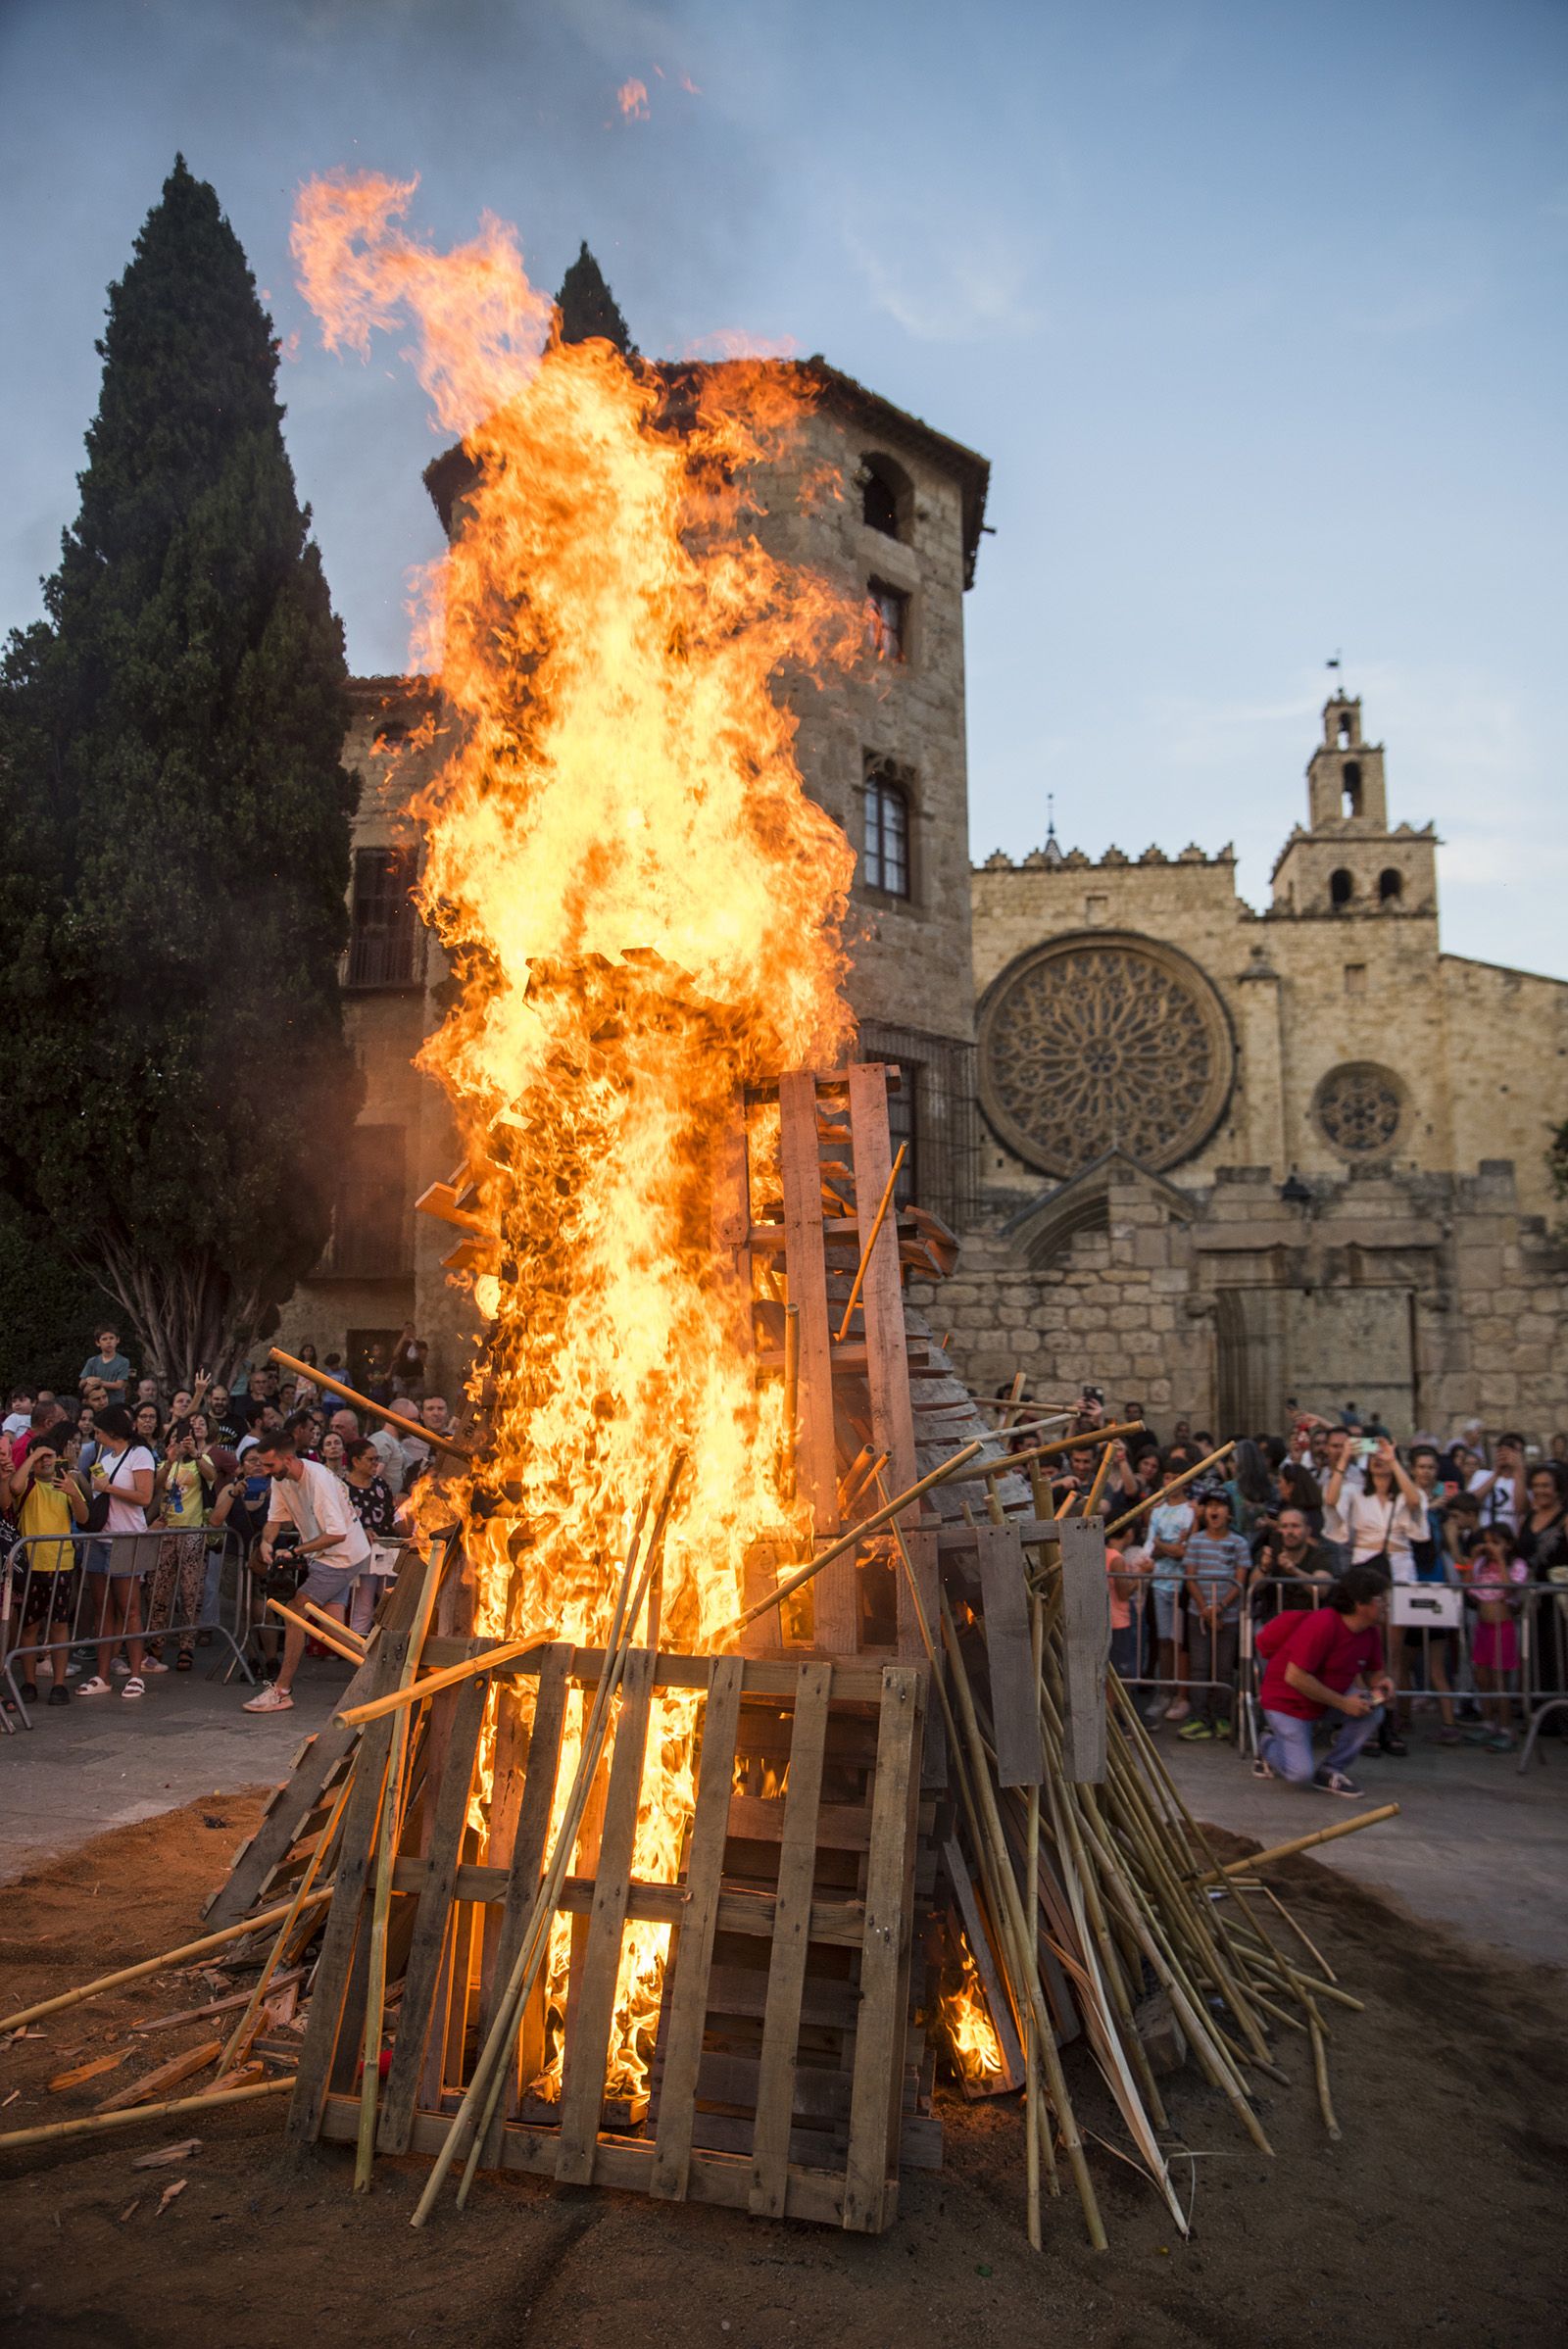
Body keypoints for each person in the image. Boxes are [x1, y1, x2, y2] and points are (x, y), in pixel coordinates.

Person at [240, 1422, 370, 1713]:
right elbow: (275, 1519)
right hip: (334, 1554)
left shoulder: (319, 1480)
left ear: (288, 1459)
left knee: (295, 1612)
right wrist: (266, 1543)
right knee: (328, 1625)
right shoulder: (281, 1479)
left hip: (341, 1555)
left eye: (270, 1464)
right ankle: (380, 1668)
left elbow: (337, 1533)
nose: (266, 1470)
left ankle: (282, 1689)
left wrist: (294, 1550)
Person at [1252, 1565, 1396, 1797]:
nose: (1386, 1605)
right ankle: (1267, 1745)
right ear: (1361, 1604)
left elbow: (1374, 1672)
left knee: (1374, 1712)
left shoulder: (1370, 1632)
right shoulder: (1324, 1624)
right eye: (1381, 1599)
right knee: (1299, 1776)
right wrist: (1343, 1703)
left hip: (1326, 1699)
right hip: (1287, 1704)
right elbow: (1295, 1676)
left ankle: (1331, 1769)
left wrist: (1383, 1684)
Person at [76, 1404, 157, 1699]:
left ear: (110, 1431)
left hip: (127, 1538)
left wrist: (108, 1488)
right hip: (102, 1537)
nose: (95, 1436)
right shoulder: (104, 1456)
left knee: (130, 1609)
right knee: (103, 1608)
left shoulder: (139, 1454)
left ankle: (136, 1674)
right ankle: (102, 1674)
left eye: (98, 1431)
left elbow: (144, 1497)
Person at [5, 1440, 88, 1704]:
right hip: (31, 1565)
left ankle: (59, 1683)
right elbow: (14, 1487)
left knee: (59, 1625)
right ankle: (29, 1681)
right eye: (41, 1457)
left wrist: (73, 1492)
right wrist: (31, 1458)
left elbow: (84, 1518)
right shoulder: (27, 1484)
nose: (46, 1461)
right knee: (30, 1625)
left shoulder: (64, 1483)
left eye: (50, 1456)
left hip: (60, 1563)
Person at [1178, 1488, 1250, 1739]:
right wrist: (1205, 1608)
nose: (1214, 1510)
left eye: (1220, 1505)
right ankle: (1198, 1716)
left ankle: (1222, 1717)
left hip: (1227, 1618)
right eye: (1210, 1505)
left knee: (1222, 1669)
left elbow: (1239, 1580)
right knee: (1199, 1667)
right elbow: (1190, 1577)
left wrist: (1219, 1608)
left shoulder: (1239, 1543)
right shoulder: (1196, 1540)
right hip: (1197, 1615)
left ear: (1230, 1513)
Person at [147, 1418, 214, 1668]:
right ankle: (156, 1642)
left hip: (192, 1531)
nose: (180, 1442)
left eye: (185, 1438)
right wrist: (170, 1461)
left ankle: (187, 1645)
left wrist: (195, 1454)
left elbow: (212, 1476)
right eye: (175, 1438)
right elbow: (153, 1488)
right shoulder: (165, 1464)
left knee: (190, 1590)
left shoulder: (201, 1462)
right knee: (159, 1588)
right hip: (166, 1531)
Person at [1465, 1524, 1528, 1752]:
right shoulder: (1482, 1564)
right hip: (1482, 1627)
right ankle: (1487, 1722)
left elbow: (1509, 1588)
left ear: (1508, 1544)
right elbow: (1467, 1586)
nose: (1490, 1547)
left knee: (1500, 1680)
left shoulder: (1517, 1565)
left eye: (1496, 1542)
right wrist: (1473, 1559)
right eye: (1487, 1541)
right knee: (1483, 1678)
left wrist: (1501, 1559)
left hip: (1503, 1628)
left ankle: (1506, 1729)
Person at [1144, 1450, 1196, 1726]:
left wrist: (1166, 1548)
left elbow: (1181, 1551)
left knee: (1179, 1642)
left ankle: (1181, 1693)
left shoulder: (1190, 1512)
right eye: (1167, 1477)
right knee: (1163, 1639)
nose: (1171, 1482)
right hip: (1160, 1582)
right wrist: (1166, 1547)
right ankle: (1164, 1691)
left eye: (1177, 1477)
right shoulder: (1158, 1510)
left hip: (1180, 1584)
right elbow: (1152, 1547)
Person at [343, 1437, 402, 1636]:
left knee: (389, 1599)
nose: (376, 1463)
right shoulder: (343, 1488)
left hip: (384, 1547)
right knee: (364, 1602)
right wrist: (360, 1531)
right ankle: (356, 1644)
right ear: (356, 1461)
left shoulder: (381, 1485)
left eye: (377, 1459)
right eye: (371, 1459)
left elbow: (390, 1513)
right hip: (361, 1551)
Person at [1252, 1506, 1335, 1614]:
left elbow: (1322, 1589)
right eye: (1284, 1526)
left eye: (1295, 1526)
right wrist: (1264, 1568)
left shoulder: (1320, 1555)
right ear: (1278, 1530)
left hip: (1310, 1621)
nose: (1290, 1531)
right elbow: (1253, 1587)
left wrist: (1295, 1571)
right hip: (1273, 1621)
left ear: (1308, 1531)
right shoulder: (1268, 1553)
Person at [1470, 1433, 1525, 1535]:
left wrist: (1518, 1471)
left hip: (1510, 1537)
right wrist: (1496, 1474)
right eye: (1503, 1450)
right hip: (1482, 1534)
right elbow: (1471, 1502)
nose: (1508, 1455)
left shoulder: (1524, 1482)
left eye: (1513, 1451)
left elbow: (1521, 1509)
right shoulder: (1482, 1475)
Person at [79, 1327, 131, 1402]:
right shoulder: (92, 1361)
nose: (108, 1341)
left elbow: (119, 1385)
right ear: (98, 1343)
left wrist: (99, 1382)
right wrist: (88, 1379)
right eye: (104, 1339)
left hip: (116, 1403)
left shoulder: (123, 1361)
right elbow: (81, 1384)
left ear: (117, 1340)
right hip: (97, 1403)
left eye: (111, 1338)